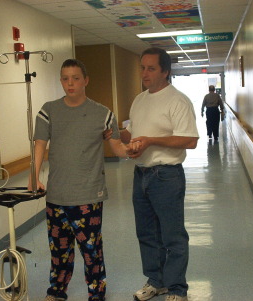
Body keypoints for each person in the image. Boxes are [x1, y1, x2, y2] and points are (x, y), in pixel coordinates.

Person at [29, 59, 132, 301]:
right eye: (65, 78)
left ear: (86, 80)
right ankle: (56, 291)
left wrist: (135, 147)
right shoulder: (48, 111)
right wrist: (34, 177)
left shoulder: (102, 113)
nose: (70, 83)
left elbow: (117, 148)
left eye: (75, 78)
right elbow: (39, 146)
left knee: (91, 251)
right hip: (57, 196)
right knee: (59, 251)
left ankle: (97, 293)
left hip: (88, 195)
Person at [120, 47, 199, 301]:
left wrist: (151, 141)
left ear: (165, 71)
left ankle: (177, 288)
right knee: (146, 233)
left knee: (172, 235)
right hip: (140, 174)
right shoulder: (139, 99)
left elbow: (190, 140)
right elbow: (134, 135)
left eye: (151, 68)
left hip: (166, 176)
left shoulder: (177, 100)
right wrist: (123, 139)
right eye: (142, 67)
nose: (144, 73)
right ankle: (156, 281)